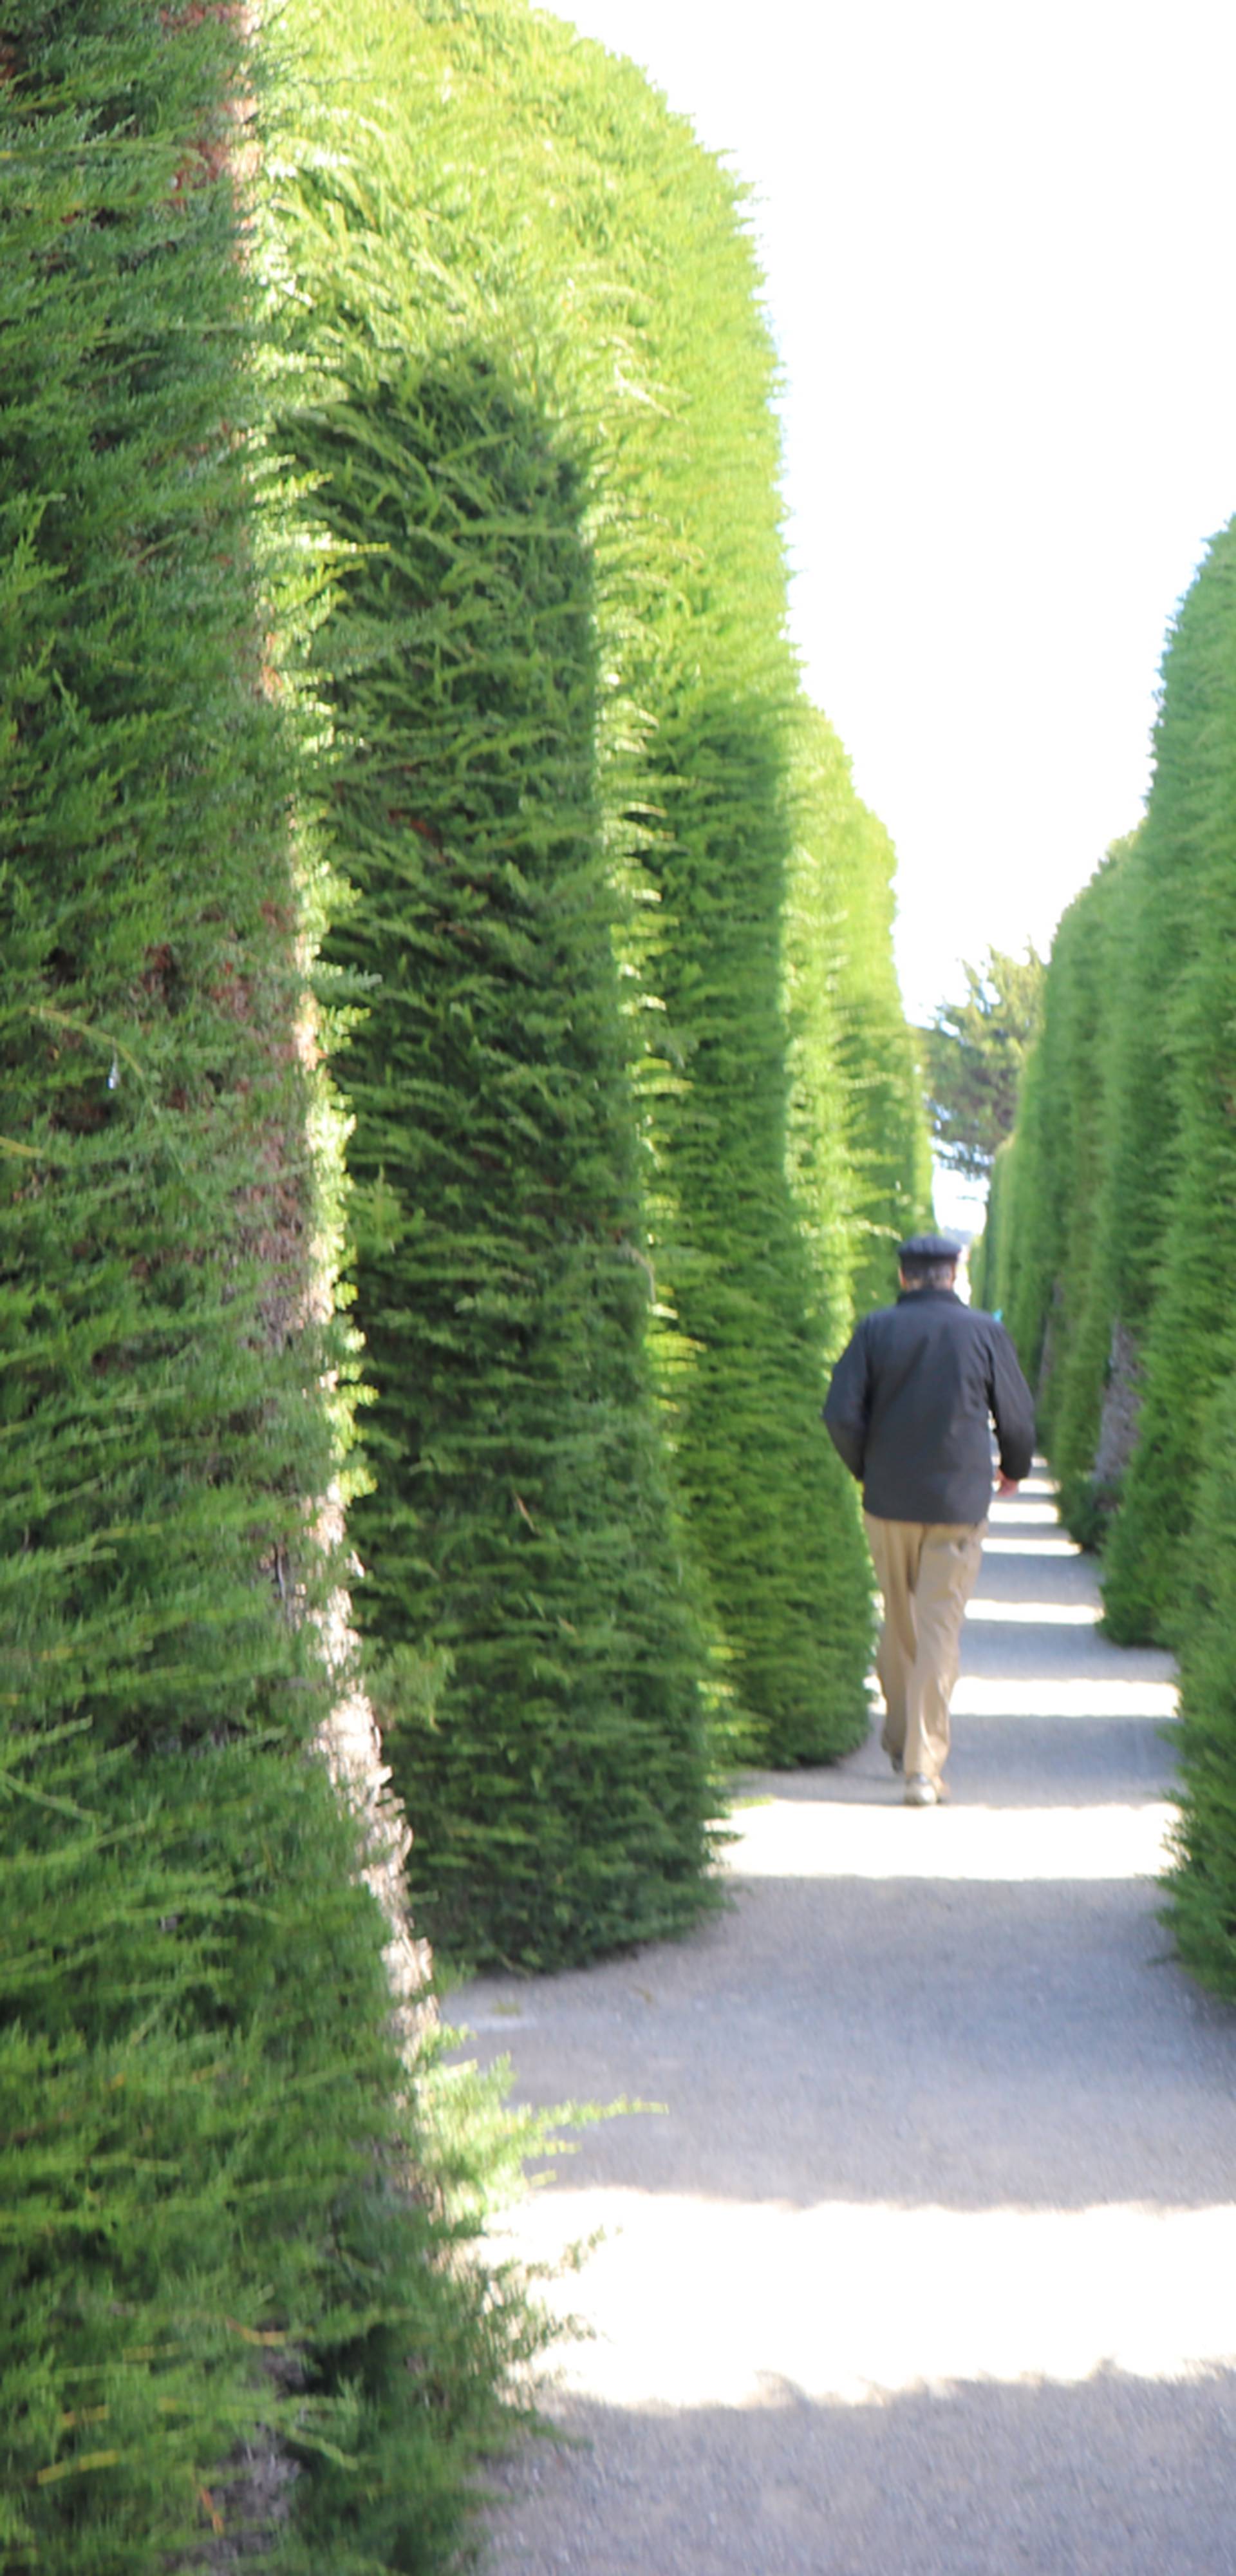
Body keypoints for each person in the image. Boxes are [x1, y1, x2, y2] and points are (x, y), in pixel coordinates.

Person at [822, 1233, 1035, 1808]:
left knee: (899, 1620)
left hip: (888, 1501)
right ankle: (922, 1767)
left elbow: (840, 1413)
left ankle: (898, 1737)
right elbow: (1015, 1418)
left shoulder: (874, 1331)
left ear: (903, 1278)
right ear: (954, 1275)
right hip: (959, 1506)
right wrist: (1014, 1469)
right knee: (939, 1628)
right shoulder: (984, 1333)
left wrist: (866, 1467)